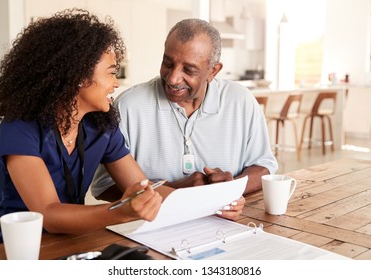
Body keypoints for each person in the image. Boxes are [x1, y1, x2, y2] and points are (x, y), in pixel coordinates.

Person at [0, 9, 166, 245]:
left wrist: (215, 202)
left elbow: (143, 187)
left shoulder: (102, 126)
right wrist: (120, 211)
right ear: (80, 77)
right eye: (112, 73)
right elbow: (49, 214)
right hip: (18, 250)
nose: (116, 83)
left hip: (74, 242)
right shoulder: (20, 127)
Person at [91, 19, 278, 203]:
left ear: (213, 71)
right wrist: (175, 191)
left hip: (226, 222)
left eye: (189, 70)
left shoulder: (241, 101)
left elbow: (264, 166)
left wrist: (227, 192)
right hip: (150, 228)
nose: (173, 78)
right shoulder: (129, 106)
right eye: (168, 63)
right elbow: (103, 187)